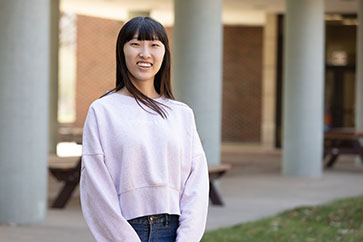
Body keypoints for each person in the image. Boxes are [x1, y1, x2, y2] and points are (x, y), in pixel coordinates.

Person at [80, 16, 209, 242]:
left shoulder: (181, 113)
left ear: (164, 54)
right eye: (136, 44)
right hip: (125, 230)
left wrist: (187, 238)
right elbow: (95, 186)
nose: (145, 53)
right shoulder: (103, 111)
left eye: (154, 45)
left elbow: (197, 182)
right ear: (122, 52)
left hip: (174, 230)